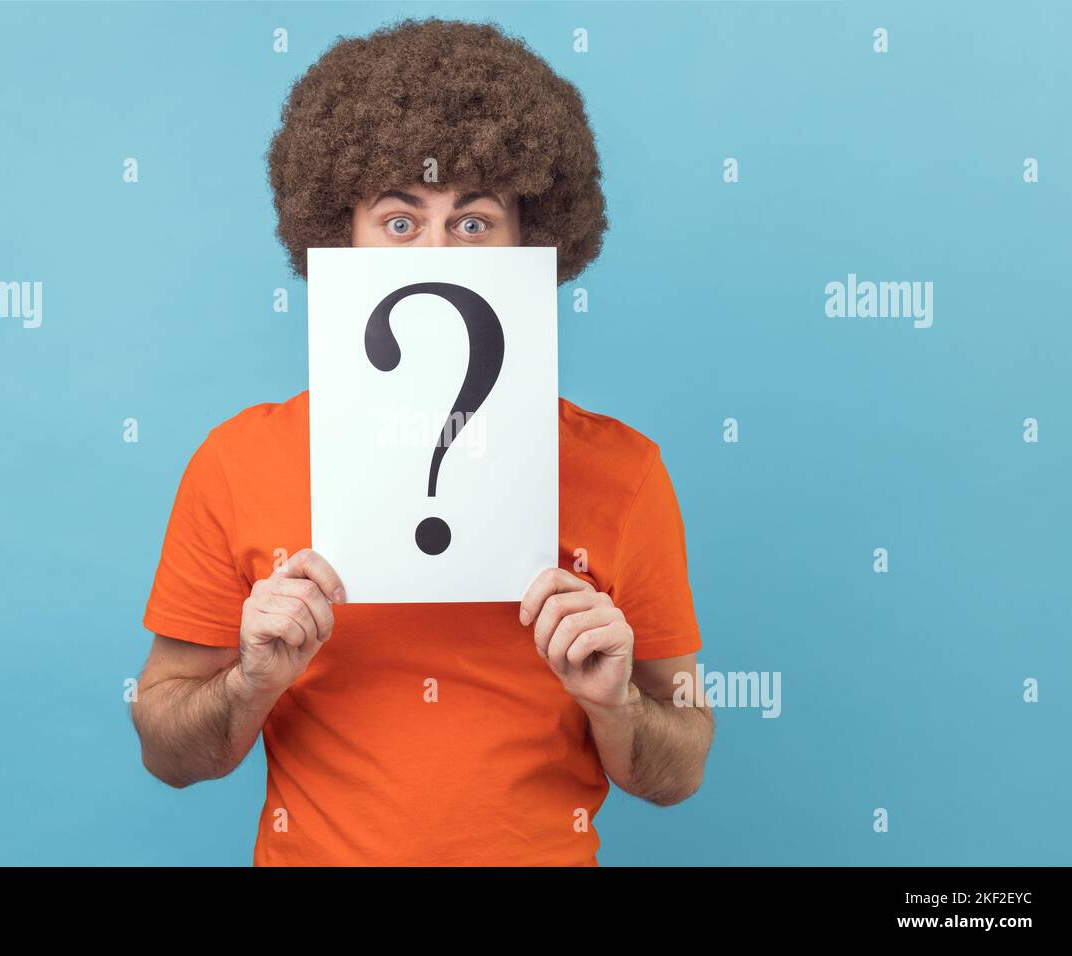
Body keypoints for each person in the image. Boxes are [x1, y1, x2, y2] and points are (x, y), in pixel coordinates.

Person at [132, 17, 712, 866]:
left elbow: (680, 762)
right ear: (338, 238)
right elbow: (167, 750)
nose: (439, 253)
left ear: (532, 243)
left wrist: (617, 705)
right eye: (400, 223)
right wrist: (250, 684)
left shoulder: (622, 471)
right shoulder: (237, 461)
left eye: (473, 223)